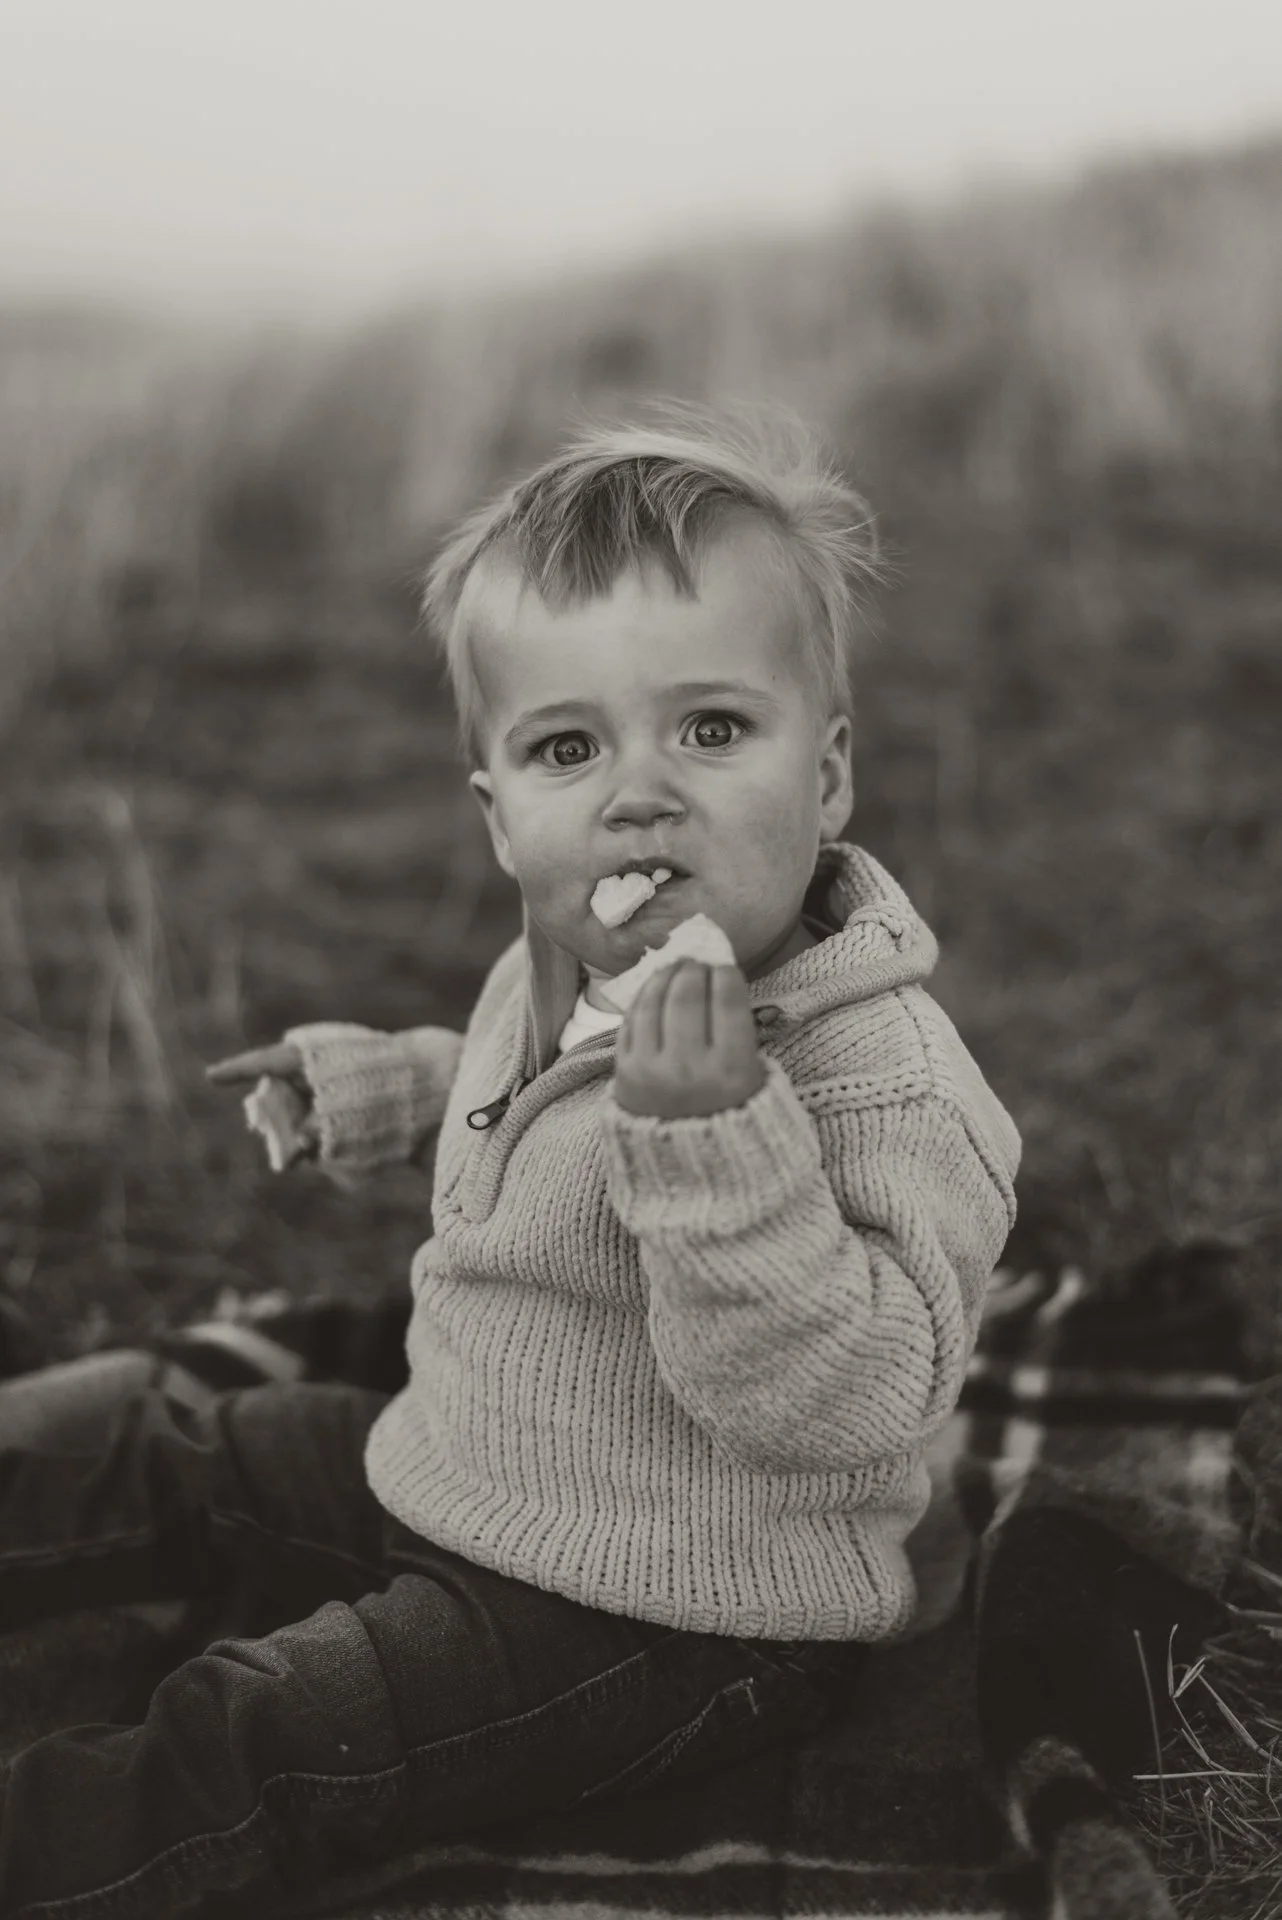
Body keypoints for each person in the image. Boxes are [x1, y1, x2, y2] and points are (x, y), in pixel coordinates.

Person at [0, 402, 1020, 1919]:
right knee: (178, 1449)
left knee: (267, 1728)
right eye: (566, 746)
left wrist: (716, 1146)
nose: (638, 789)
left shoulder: (881, 1086)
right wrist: (387, 1084)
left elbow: (853, 1399)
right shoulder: (569, 956)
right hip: (475, 1459)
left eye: (713, 728)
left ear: (828, 774)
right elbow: (523, 1092)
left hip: (671, 1610)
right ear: (499, 816)